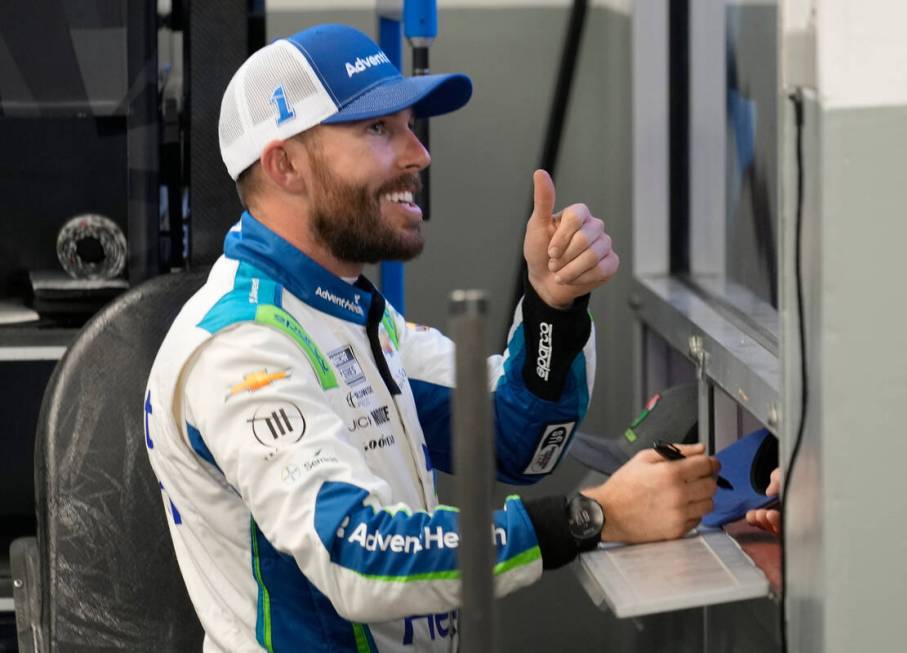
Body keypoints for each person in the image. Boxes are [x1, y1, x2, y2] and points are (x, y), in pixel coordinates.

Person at [144, 23, 720, 653]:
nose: (418, 154)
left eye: (411, 126)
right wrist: (593, 517)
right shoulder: (238, 348)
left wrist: (554, 306)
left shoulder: (351, 313)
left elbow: (513, 440)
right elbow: (358, 554)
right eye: (378, 130)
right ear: (286, 165)